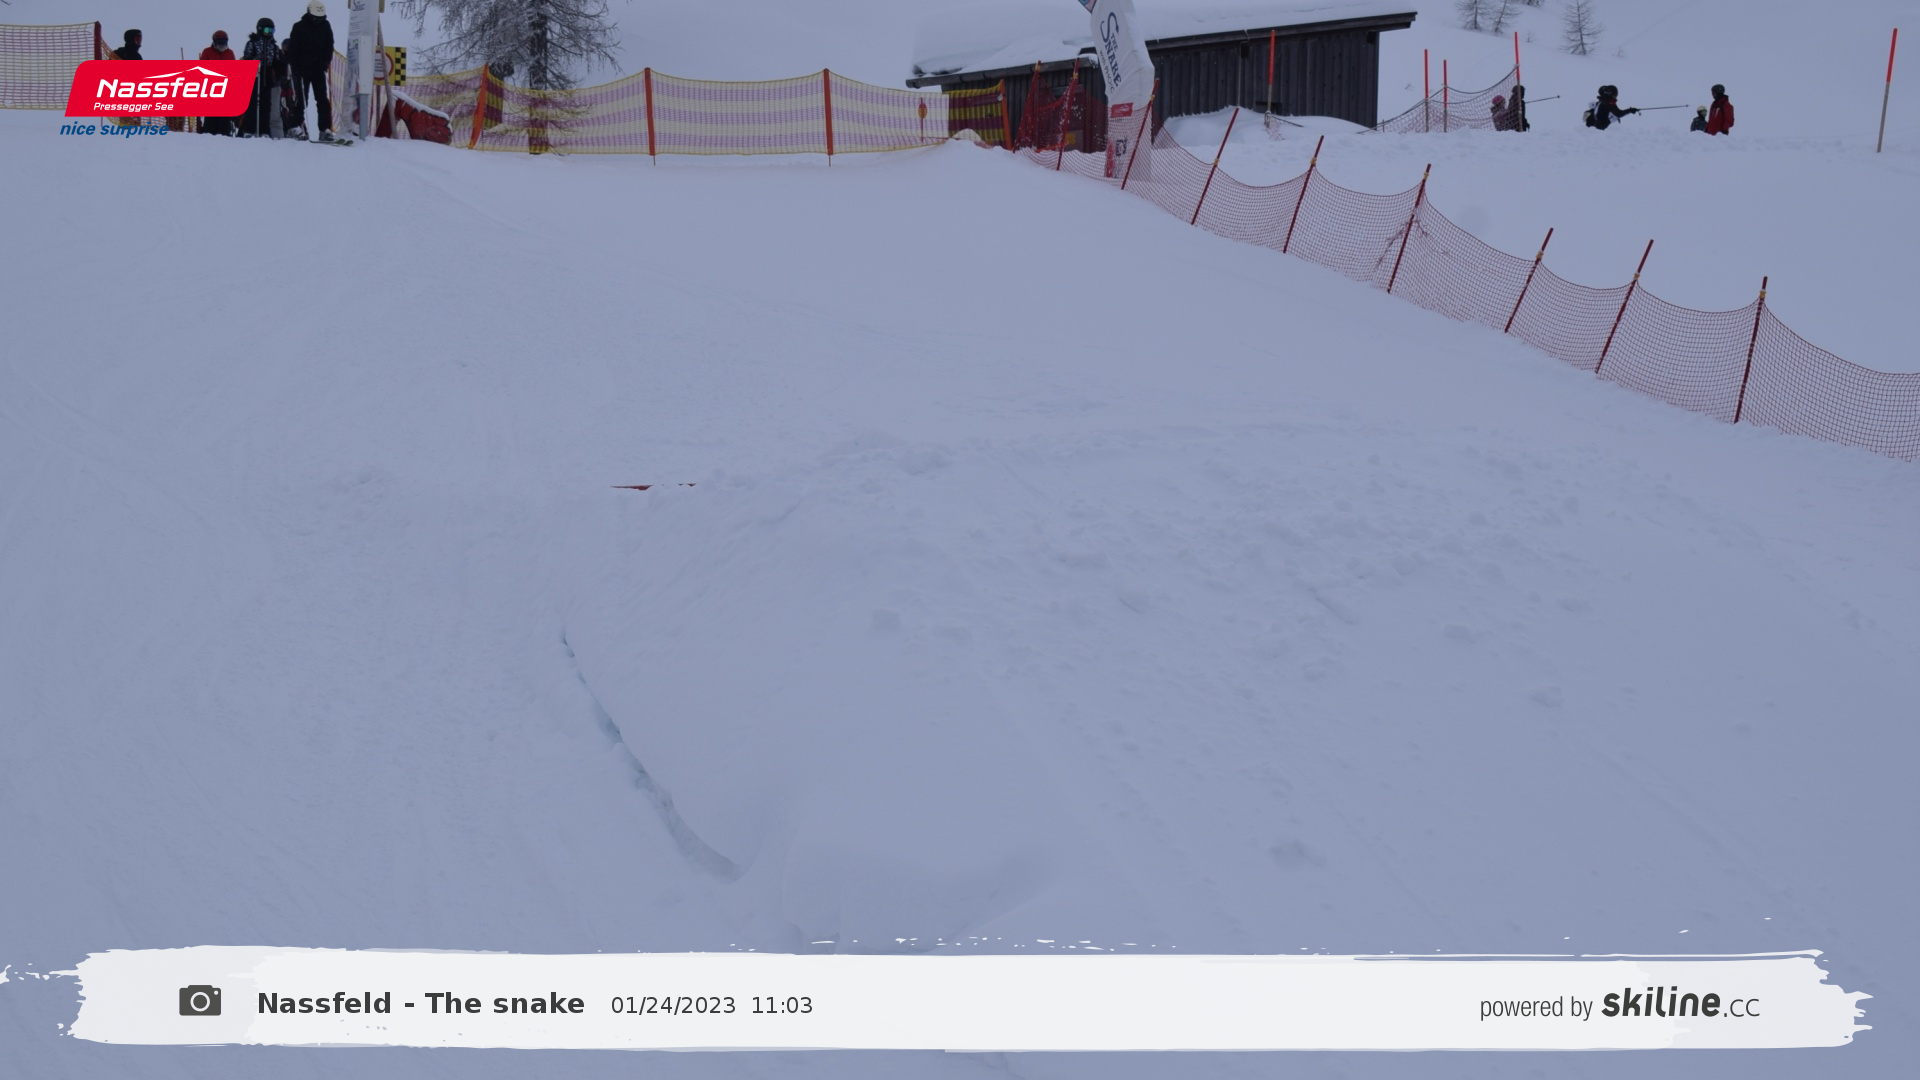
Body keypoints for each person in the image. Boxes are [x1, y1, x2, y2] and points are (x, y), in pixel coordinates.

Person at [285, 2, 337, 141]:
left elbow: (329, 45)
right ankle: (296, 126)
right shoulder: (299, 27)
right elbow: (293, 49)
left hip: (318, 69)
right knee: (301, 99)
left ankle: (325, 129)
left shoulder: (325, 26)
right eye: (315, 18)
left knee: (322, 99)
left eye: (320, 18)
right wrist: (296, 67)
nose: (317, 20)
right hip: (302, 70)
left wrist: (325, 62)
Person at [240, 18, 282, 137]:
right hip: (255, 75)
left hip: (267, 76)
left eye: (272, 30)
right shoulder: (252, 43)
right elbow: (247, 57)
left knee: (266, 105)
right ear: (260, 29)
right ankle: (249, 130)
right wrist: (253, 62)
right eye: (267, 30)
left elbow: (277, 62)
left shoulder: (273, 46)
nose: (270, 33)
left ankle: (264, 130)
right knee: (253, 104)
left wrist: (278, 72)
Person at [199, 31, 237, 135]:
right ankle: (208, 135)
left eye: (224, 42)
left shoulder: (230, 53)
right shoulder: (207, 52)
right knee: (211, 118)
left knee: (224, 119)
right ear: (214, 42)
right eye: (220, 42)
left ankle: (225, 136)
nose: (222, 45)